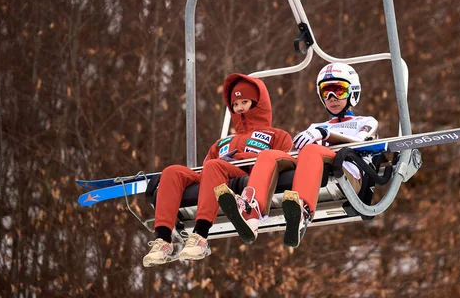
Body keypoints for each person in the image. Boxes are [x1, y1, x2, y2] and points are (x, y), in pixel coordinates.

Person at [215, 63, 378, 248]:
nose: (332, 98)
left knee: (311, 149)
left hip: (346, 171)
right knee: (269, 155)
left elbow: (361, 143)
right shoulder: (315, 127)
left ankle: (303, 209)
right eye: (326, 92)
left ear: (353, 92)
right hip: (312, 166)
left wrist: (325, 135)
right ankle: (251, 214)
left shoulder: (365, 122)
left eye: (338, 91)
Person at [142, 73, 292, 266]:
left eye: (244, 102)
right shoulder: (223, 142)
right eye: (235, 104)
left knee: (214, 165)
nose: (239, 108)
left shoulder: (277, 135)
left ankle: (201, 235)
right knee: (172, 171)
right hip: (215, 173)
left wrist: (238, 158)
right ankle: (163, 240)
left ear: (258, 103)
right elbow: (205, 168)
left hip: (247, 176)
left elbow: (278, 161)